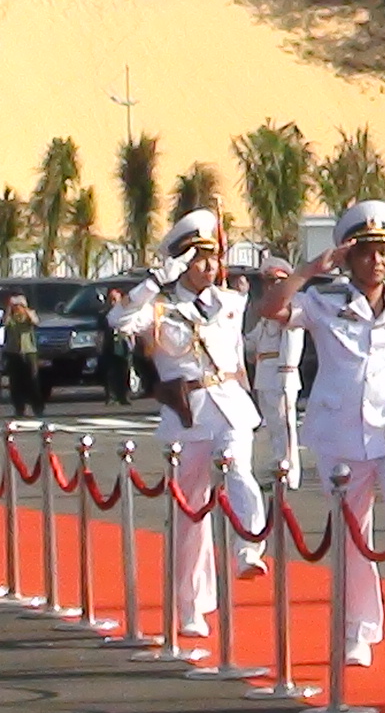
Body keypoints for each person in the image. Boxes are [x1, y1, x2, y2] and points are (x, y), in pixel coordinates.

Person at [273, 198, 385, 671]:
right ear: (348, 257)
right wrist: (309, 270)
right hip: (340, 435)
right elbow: (272, 309)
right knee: (354, 537)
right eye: (367, 252)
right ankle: (358, 631)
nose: (378, 261)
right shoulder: (322, 302)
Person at [110, 211, 270, 643]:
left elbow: (237, 359)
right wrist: (154, 280)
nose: (210, 268)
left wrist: (251, 396)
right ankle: (191, 606)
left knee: (237, 469)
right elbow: (118, 322)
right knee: (190, 514)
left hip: (231, 407)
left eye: (214, 258)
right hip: (188, 414)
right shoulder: (159, 309)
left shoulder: (231, 303)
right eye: (200, 259)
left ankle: (248, 547)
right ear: (182, 262)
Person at [3, 292, 48, 417]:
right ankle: (19, 408)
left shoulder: (29, 314)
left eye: (19, 305)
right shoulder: (11, 317)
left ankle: (38, 408)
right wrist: (9, 307)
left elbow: (36, 322)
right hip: (13, 352)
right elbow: (4, 323)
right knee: (15, 382)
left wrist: (25, 308)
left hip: (29, 352)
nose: (18, 308)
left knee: (33, 381)